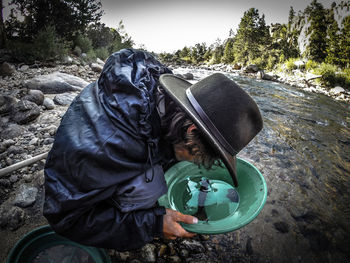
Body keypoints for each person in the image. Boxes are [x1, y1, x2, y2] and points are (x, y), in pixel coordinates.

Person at [43, 49, 263, 250]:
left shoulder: (164, 103)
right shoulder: (104, 149)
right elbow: (65, 219)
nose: (198, 163)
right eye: (200, 155)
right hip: (81, 179)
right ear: (191, 131)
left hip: (104, 151)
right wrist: (153, 224)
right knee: (149, 188)